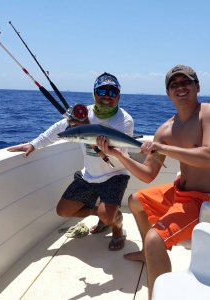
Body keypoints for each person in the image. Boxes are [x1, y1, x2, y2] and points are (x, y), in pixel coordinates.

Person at [96, 65, 210, 299]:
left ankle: (157, 288)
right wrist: (120, 154)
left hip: (209, 200)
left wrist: (163, 147)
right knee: (135, 200)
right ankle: (150, 256)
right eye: (174, 84)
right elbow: (148, 174)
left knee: (154, 238)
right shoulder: (165, 129)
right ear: (168, 93)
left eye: (186, 82)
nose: (180, 87)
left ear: (197, 86)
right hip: (182, 192)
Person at [8, 72, 134, 251]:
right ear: (94, 94)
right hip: (89, 174)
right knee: (64, 211)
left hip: (115, 174)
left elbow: (118, 154)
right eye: (102, 91)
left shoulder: (125, 120)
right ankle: (103, 214)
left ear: (119, 97)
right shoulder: (83, 113)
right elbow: (58, 129)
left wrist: (88, 127)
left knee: (108, 216)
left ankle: (117, 227)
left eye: (112, 93)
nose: (107, 96)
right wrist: (34, 144)